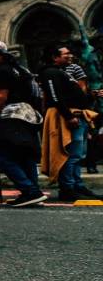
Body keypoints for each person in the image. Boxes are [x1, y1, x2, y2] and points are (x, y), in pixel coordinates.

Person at [0, 41, 46, 206]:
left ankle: (30, 191)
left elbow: (1, 97)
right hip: (27, 117)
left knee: (3, 157)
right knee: (25, 156)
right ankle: (33, 193)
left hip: (9, 118)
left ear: (2, 54)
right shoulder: (21, 70)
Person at [39, 45, 98, 200]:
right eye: (66, 54)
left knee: (78, 155)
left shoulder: (61, 72)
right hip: (69, 117)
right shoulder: (50, 72)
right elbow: (55, 96)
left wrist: (91, 96)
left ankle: (77, 186)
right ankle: (67, 189)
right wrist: (68, 116)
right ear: (55, 57)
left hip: (77, 115)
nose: (70, 55)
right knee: (70, 155)